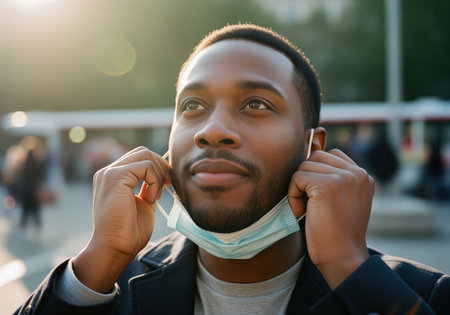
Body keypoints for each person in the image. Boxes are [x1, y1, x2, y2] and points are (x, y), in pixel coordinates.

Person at [15, 24, 449, 315]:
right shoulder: (103, 290)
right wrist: (95, 266)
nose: (213, 130)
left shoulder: (422, 297)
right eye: (193, 107)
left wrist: (351, 271)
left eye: (256, 104)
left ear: (313, 146)